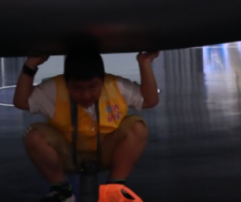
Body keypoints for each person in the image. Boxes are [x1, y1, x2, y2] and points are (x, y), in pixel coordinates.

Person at [14, 51, 160, 202]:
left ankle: (114, 190)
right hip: (68, 155)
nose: (86, 95)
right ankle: (62, 191)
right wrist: (30, 66)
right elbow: (21, 102)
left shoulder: (115, 85)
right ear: (66, 83)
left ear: (103, 81)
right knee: (34, 136)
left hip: (107, 153)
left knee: (137, 127)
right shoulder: (55, 89)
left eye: (93, 87)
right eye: (77, 88)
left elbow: (150, 100)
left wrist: (145, 64)